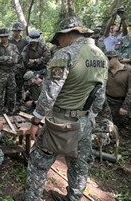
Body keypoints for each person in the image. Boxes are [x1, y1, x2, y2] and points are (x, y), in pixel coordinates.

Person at [22, 16, 108, 201]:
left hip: (59, 122)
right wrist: (89, 118)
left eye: (59, 38)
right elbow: (100, 97)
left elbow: (50, 94)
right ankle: (74, 197)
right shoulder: (101, 56)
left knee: (38, 163)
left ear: (68, 34)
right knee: (79, 165)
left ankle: (32, 198)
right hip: (84, 121)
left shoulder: (66, 54)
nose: (58, 43)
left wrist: (36, 120)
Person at [0, 27, 19, 116]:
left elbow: (15, 60)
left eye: (5, 36)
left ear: (8, 36)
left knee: (11, 94)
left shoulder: (13, 47)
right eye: (2, 37)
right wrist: (8, 58)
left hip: (11, 73)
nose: (3, 38)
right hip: (0, 73)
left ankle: (11, 112)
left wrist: (2, 59)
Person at [105, 49, 131, 127]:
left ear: (116, 57)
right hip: (106, 101)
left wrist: (125, 107)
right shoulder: (105, 69)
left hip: (119, 103)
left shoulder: (128, 71)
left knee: (116, 127)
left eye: (109, 58)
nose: (107, 61)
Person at [9, 22, 28, 112]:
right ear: (13, 31)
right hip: (12, 67)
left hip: (21, 67)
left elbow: (27, 54)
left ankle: (20, 104)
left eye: (18, 31)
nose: (17, 32)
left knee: (20, 86)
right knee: (12, 87)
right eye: (15, 31)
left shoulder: (25, 42)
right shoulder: (9, 41)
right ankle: (12, 105)